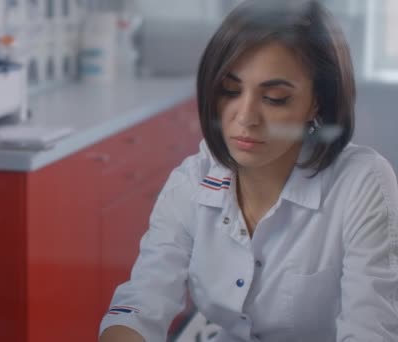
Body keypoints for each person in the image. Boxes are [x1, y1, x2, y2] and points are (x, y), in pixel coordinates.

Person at [99, 0, 398, 341]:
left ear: (316, 102)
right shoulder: (192, 182)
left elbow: (370, 331)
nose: (245, 117)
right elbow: (141, 301)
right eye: (230, 90)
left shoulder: (362, 184)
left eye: (274, 98)